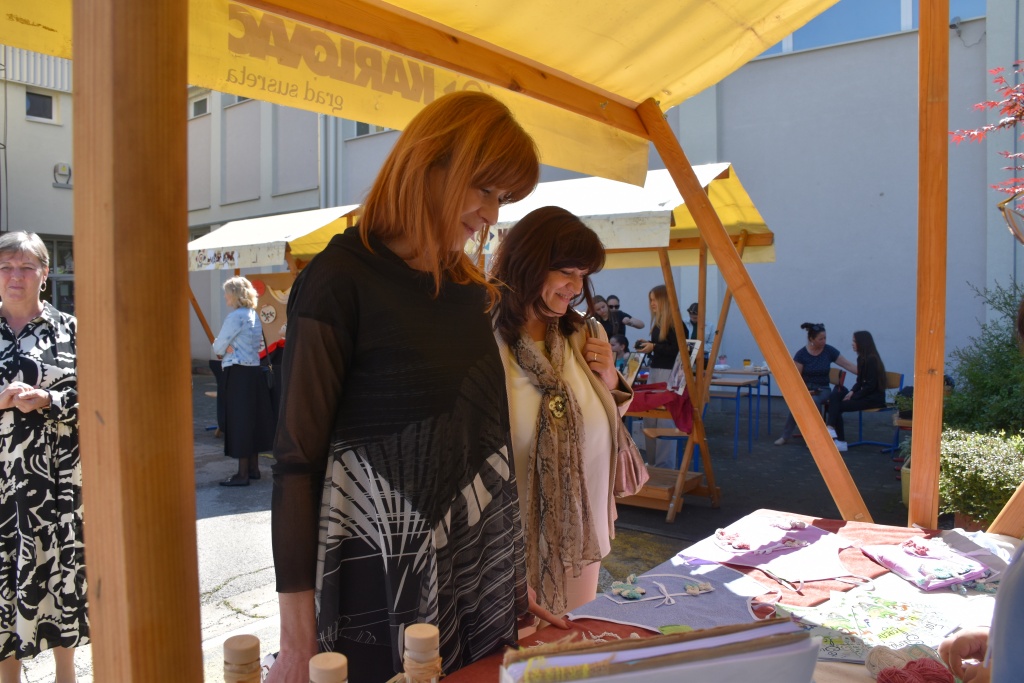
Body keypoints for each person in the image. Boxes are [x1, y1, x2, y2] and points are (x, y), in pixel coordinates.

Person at [267, 91, 556, 683]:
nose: (491, 214)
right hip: (380, 586)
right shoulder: (338, 280)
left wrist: (509, 580)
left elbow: (486, 445)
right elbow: (297, 465)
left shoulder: (470, 289)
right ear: (429, 163)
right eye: (484, 189)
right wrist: (295, 644)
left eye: (502, 199)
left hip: (477, 577)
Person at [491, 206, 634, 616]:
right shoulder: (483, 338)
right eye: (567, 272)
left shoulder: (585, 332)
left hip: (582, 534)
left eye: (583, 275)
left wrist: (610, 380)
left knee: (573, 637)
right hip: (504, 543)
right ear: (528, 263)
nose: (576, 286)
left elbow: (606, 422)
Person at [0, 232, 85, 683]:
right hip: (1, 486)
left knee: (60, 573)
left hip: (58, 483)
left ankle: (66, 675)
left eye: (26, 267)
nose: (15, 275)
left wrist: (51, 400)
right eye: (6, 267)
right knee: (3, 576)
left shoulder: (70, 329)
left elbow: (99, 396)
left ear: (45, 273)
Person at [212, 276, 275, 486]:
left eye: (227, 292)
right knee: (252, 421)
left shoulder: (235, 317)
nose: (225, 296)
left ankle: (242, 474)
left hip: (238, 373)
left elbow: (218, 347)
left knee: (239, 422)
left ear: (235, 294)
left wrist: (226, 347)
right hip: (254, 373)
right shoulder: (252, 314)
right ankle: (253, 469)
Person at [774, 322, 857, 446]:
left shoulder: (828, 351)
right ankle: (785, 436)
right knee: (799, 403)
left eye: (825, 338)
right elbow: (796, 378)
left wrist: (866, 373)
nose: (824, 341)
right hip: (806, 389)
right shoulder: (802, 354)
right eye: (820, 339)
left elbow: (847, 364)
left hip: (823, 389)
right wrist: (801, 391)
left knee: (813, 401)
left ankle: (815, 437)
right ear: (811, 339)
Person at [635, 285, 686, 466]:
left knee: (664, 420)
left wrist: (654, 346)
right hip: (656, 371)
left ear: (665, 300)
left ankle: (665, 465)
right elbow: (664, 346)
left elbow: (679, 350)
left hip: (670, 373)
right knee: (650, 416)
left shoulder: (676, 324)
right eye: (650, 300)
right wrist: (649, 344)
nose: (652, 303)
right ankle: (653, 462)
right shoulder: (659, 323)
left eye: (655, 299)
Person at [826, 331, 887, 442]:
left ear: (862, 342)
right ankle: (830, 428)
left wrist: (854, 397)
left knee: (837, 406)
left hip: (873, 398)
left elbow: (870, 386)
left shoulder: (872, 360)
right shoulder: (861, 358)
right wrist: (852, 392)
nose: (852, 344)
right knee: (835, 396)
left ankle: (839, 440)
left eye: (854, 341)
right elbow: (859, 381)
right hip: (863, 395)